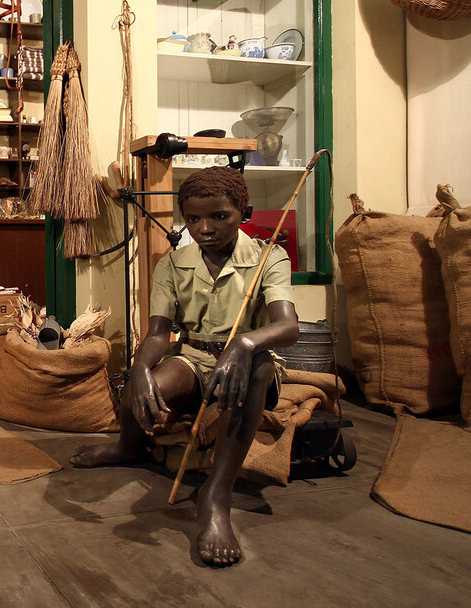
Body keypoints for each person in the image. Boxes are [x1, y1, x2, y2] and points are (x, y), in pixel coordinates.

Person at [69, 166, 299, 567]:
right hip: (193, 356)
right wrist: (140, 369)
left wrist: (245, 343)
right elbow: (159, 334)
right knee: (147, 383)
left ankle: (215, 495)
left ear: (243, 212)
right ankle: (128, 445)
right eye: (192, 219)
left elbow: (287, 326)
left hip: (249, 361)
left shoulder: (268, 257)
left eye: (219, 216)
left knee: (257, 367)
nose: (204, 228)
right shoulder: (172, 265)